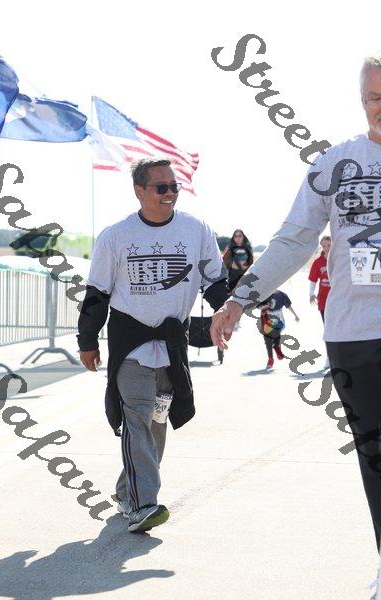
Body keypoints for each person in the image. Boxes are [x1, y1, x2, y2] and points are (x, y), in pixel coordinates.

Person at [211, 54, 381, 598]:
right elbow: (294, 239)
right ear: (362, 101)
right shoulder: (335, 163)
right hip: (355, 335)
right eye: (375, 97)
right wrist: (240, 300)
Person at [77, 158, 228, 533]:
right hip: (131, 343)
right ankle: (143, 504)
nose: (170, 193)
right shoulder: (116, 236)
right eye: (162, 187)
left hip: (172, 344)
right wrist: (87, 340)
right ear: (140, 191)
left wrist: (227, 313)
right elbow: (97, 293)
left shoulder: (196, 230)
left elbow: (214, 282)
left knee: (157, 423)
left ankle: (127, 491)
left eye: (174, 186)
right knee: (138, 418)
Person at [258, 290, 299, 369]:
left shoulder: (282, 295)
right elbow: (258, 306)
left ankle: (277, 347)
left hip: (278, 319)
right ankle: (270, 358)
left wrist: (295, 315)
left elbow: (288, 306)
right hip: (266, 318)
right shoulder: (265, 294)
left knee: (274, 335)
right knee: (268, 340)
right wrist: (265, 306)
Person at [308, 236, 331, 323]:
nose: (326, 248)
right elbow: (313, 280)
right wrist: (311, 294)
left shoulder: (338, 260)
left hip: (337, 298)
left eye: (329, 245)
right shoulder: (317, 262)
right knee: (327, 325)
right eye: (324, 246)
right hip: (323, 299)